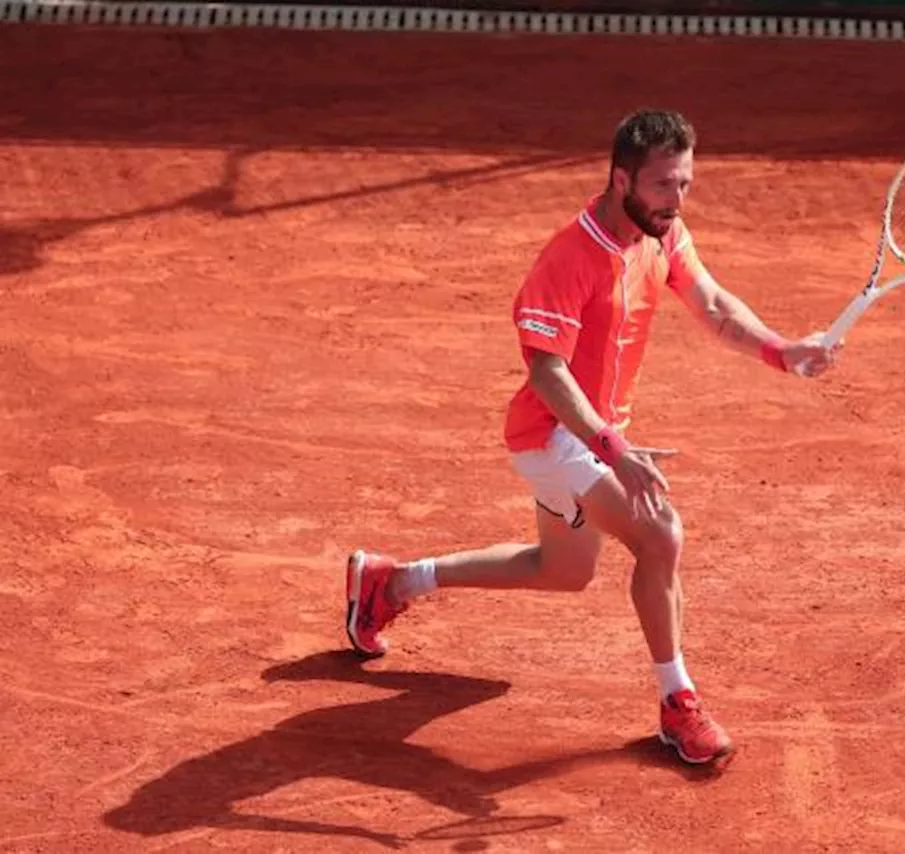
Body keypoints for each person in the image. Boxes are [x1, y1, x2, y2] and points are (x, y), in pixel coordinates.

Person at [344, 108, 841, 766]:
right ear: (620, 180)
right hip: (554, 433)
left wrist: (782, 350)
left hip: (598, 435)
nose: (676, 200)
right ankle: (678, 703)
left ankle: (393, 583)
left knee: (561, 571)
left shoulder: (663, 236)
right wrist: (613, 448)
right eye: (664, 185)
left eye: (685, 184)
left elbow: (715, 306)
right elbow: (546, 372)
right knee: (660, 535)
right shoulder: (569, 257)